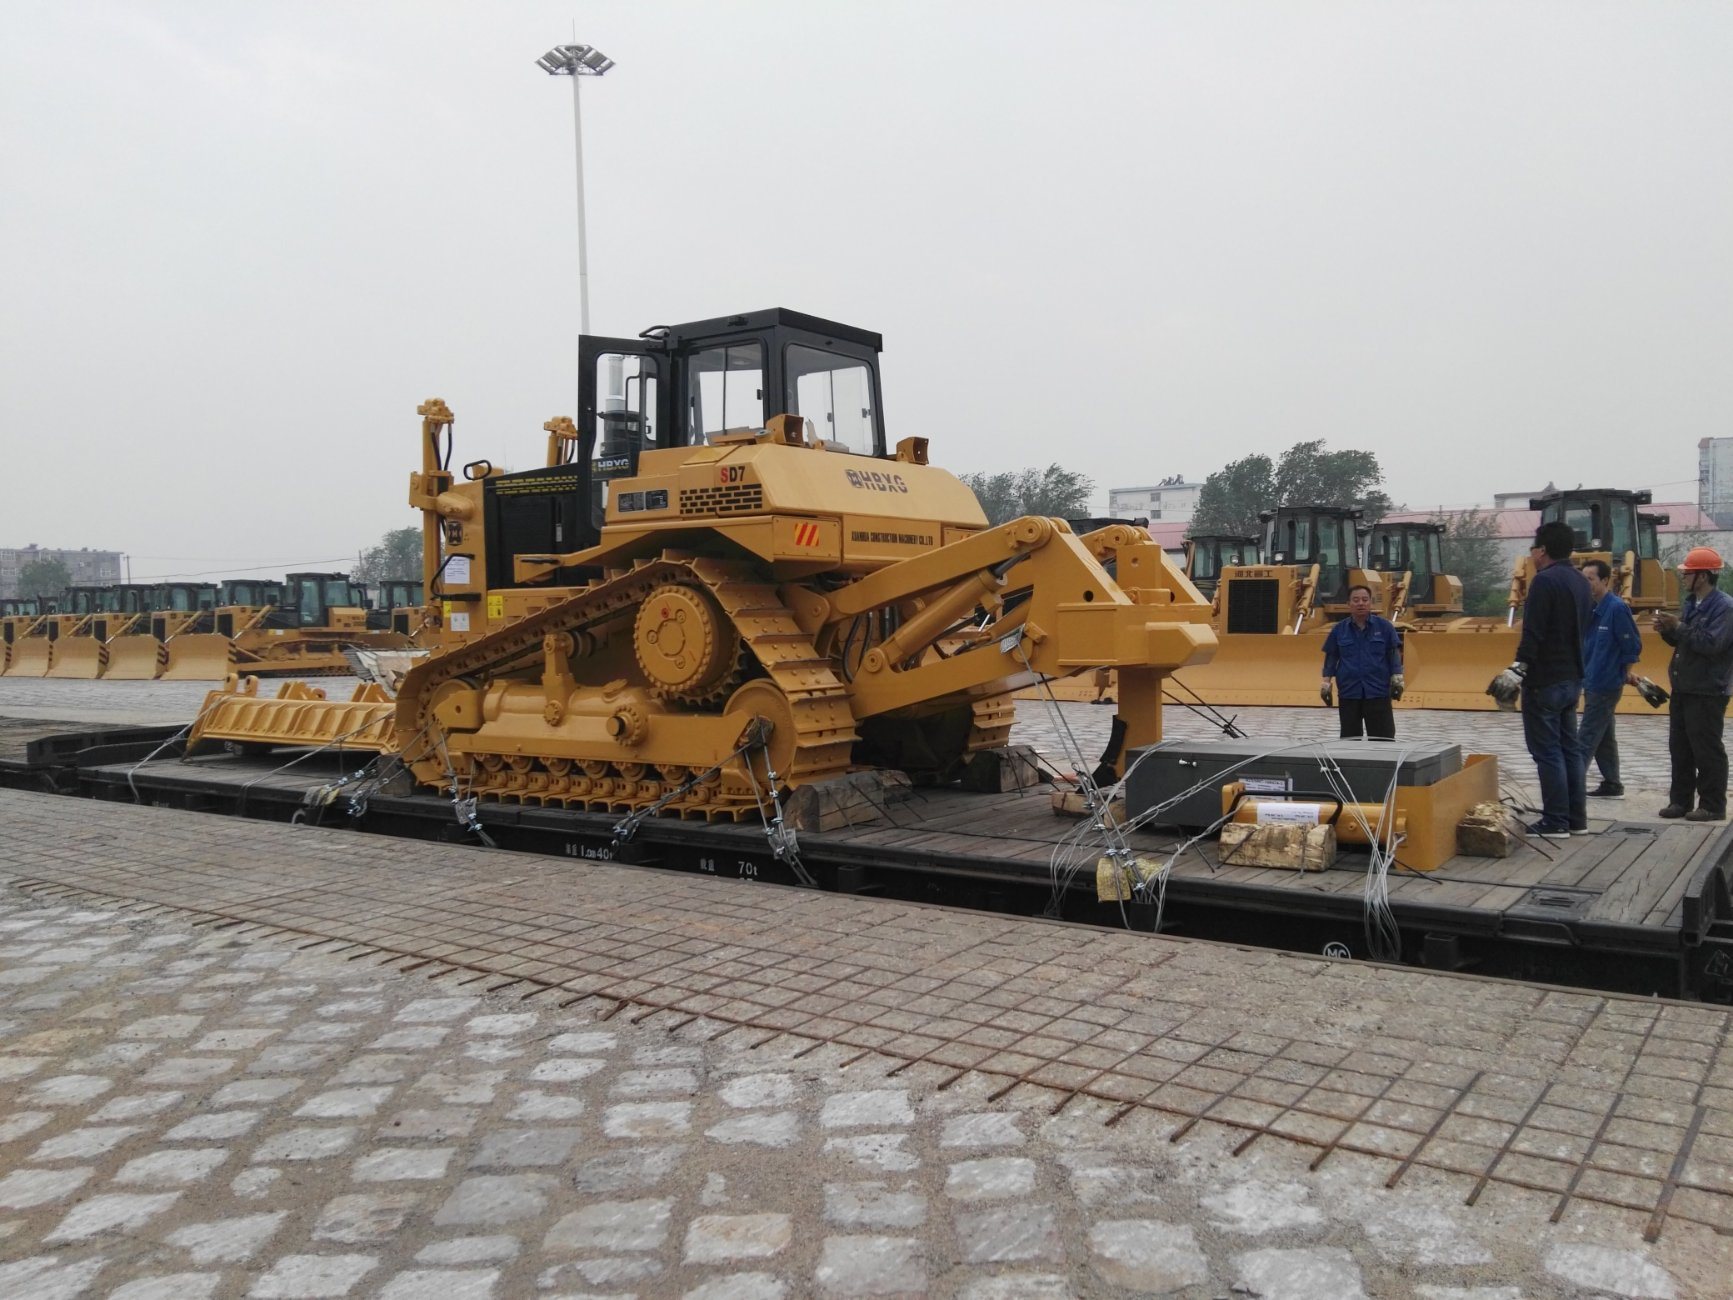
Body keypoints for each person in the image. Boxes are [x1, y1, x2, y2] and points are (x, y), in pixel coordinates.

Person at [1489, 521, 1592, 839]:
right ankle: (1576, 820)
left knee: (1547, 752)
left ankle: (1555, 820)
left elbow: (1533, 633)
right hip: (1572, 678)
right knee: (1569, 750)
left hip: (1544, 681)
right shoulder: (1580, 580)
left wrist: (1518, 669)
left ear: (1543, 550)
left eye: (1534, 549)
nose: (1532, 555)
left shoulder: (1544, 582)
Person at [1654, 546, 1733, 821]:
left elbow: (1711, 644)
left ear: (1703, 576)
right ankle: (1681, 801)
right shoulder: (1691, 604)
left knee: (1706, 749)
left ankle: (1712, 804)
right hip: (1684, 686)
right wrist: (1668, 631)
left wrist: (1679, 627)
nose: (1684, 577)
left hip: (1707, 689)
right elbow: (1685, 641)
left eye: (1688, 573)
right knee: (1680, 747)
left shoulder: (1724, 608)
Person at [1578, 559, 1643, 800]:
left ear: (1605, 581)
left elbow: (1632, 644)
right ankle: (1612, 783)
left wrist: (1626, 671)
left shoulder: (1616, 609)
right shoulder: (1589, 609)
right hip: (1591, 680)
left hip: (1605, 684)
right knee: (1604, 737)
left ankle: (1570, 788)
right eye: (1583, 579)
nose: (1586, 584)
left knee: (1585, 737)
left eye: (1590, 579)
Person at [1321, 583, 1404, 739]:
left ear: (1370, 603)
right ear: (1348, 604)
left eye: (1365, 600)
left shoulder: (1385, 627)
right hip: (1349, 692)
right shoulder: (1339, 630)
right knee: (1349, 739)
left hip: (1378, 691)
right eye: (1356, 600)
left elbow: (1393, 653)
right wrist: (1326, 683)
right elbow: (1331, 657)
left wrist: (1397, 677)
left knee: (1383, 738)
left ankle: (1382, 763)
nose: (1361, 603)